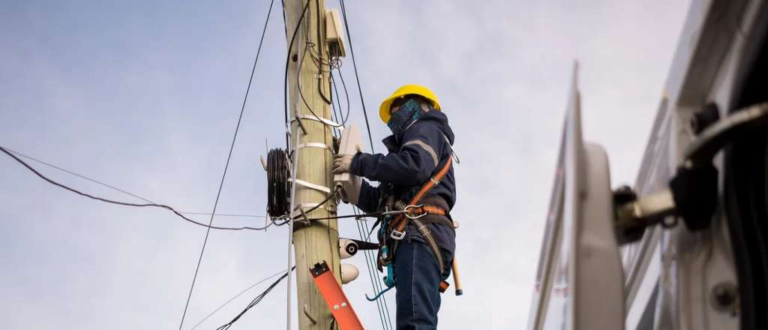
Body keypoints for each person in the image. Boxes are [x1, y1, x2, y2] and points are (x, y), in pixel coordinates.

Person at [333, 84, 456, 329]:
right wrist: (353, 186)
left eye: (398, 108)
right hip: (418, 235)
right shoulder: (409, 155)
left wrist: (359, 163)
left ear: (419, 105)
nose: (394, 117)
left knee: (414, 323)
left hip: (420, 233)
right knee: (416, 320)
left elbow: (412, 165)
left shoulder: (426, 128)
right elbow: (382, 202)